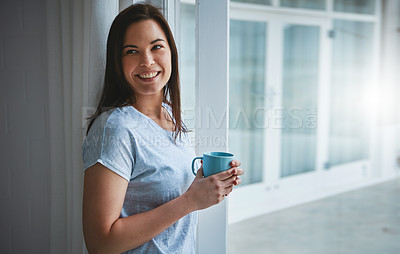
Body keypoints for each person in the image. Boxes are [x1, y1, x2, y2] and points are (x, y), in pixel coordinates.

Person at [82, 3, 244, 254]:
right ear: (117, 61)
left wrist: (208, 184)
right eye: (131, 51)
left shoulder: (171, 117)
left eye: (156, 47)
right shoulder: (115, 129)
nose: (147, 61)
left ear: (171, 53)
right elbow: (100, 243)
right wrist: (191, 201)